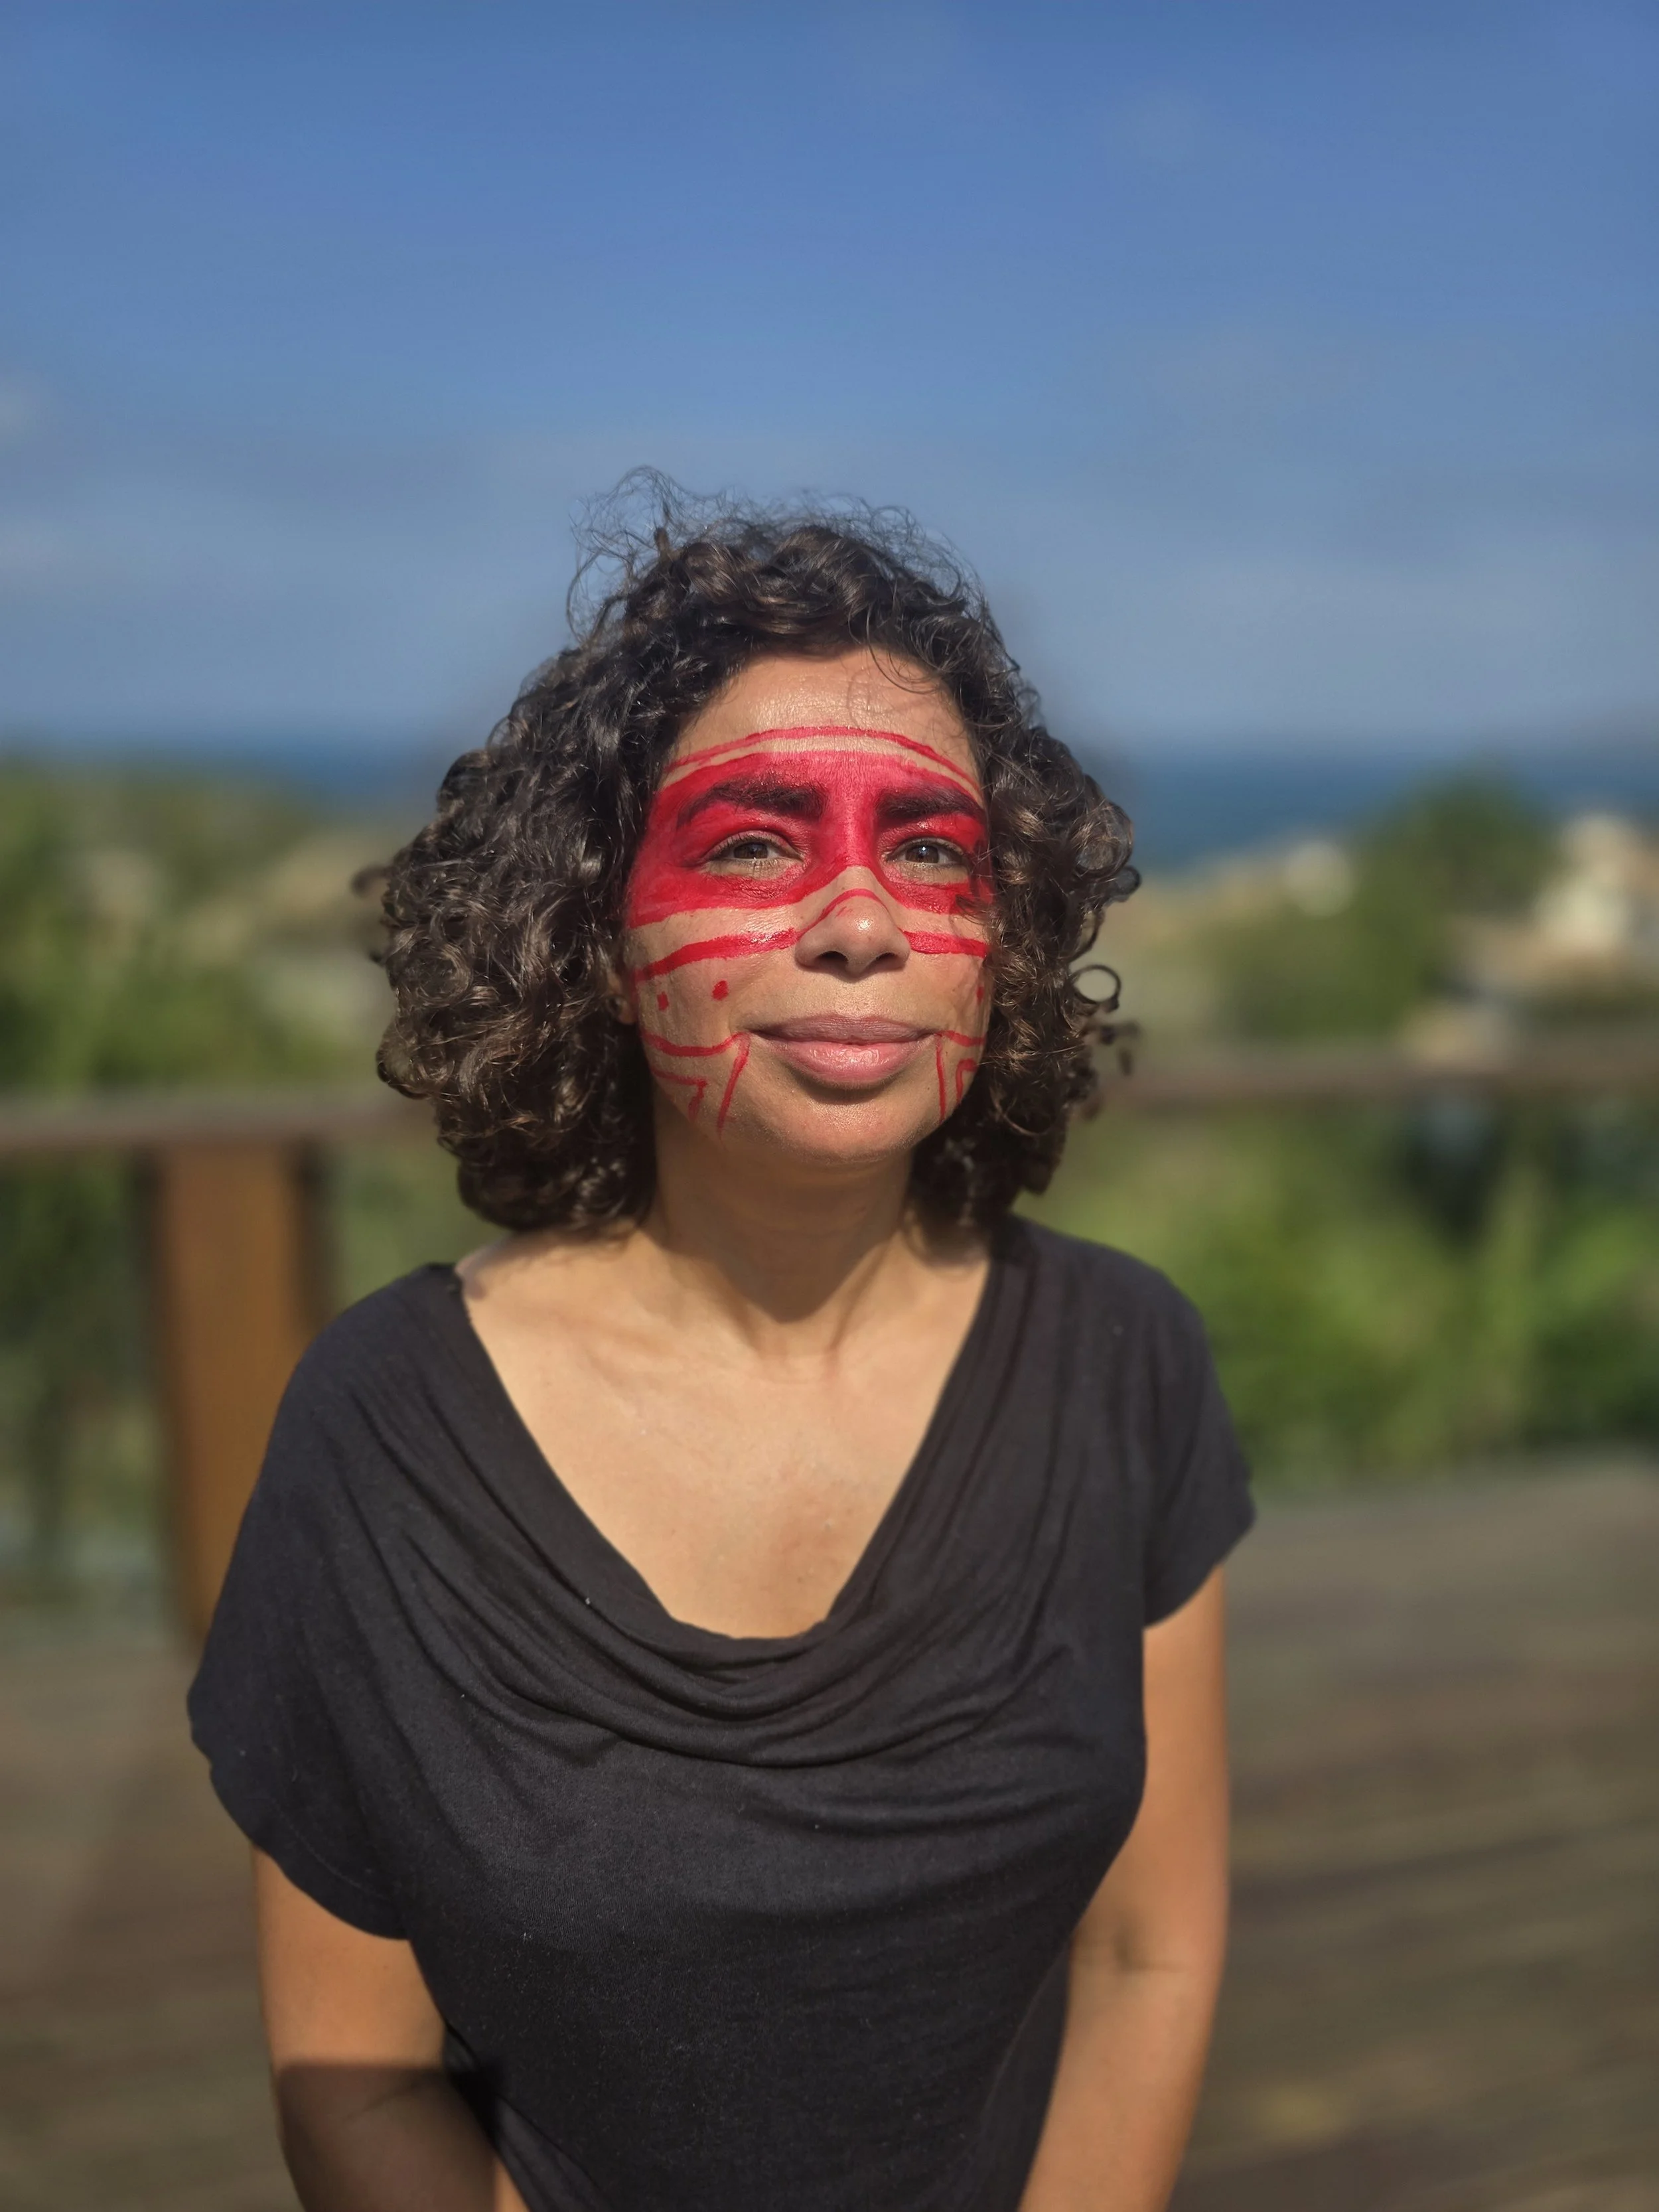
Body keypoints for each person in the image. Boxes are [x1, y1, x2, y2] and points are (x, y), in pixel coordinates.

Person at [189, 490, 1254, 2212]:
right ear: (598, 933)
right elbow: (357, 2075)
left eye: (929, 850)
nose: (859, 921)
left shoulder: (1123, 1365)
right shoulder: (381, 1427)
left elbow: (1147, 1953)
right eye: (757, 843)